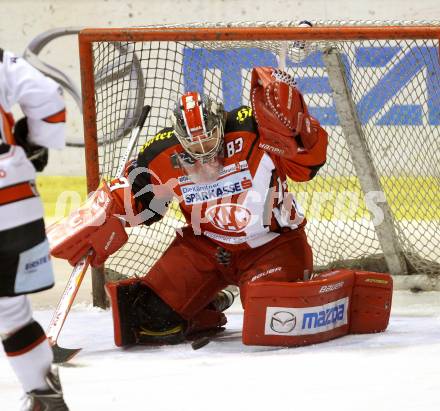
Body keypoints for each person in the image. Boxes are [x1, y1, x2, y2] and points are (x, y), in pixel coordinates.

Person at [0, 48, 69, 410]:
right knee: (11, 312)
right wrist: (35, 143)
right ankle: (45, 398)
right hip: (12, 200)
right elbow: (47, 98)